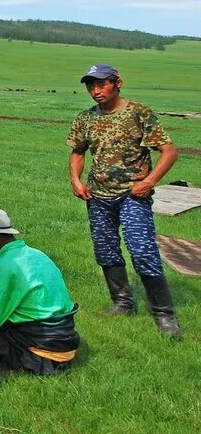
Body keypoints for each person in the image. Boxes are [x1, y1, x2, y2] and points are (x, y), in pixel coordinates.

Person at [67, 64, 181, 338]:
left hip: (132, 195)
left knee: (142, 250)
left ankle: (164, 314)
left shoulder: (138, 113)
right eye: (90, 85)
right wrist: (76, 180)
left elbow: (169, 151)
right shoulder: (86, 118)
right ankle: (122, 303)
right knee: (105, 249)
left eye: (101, 84)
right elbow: (77, 152)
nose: (95, 91)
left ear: (118, 83)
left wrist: (149, 181)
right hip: (97, 195)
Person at [0, 206, 81, 374]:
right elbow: (22, 296)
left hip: (37, 355)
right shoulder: (36, 254)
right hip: (65, 345)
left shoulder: (2, 265)